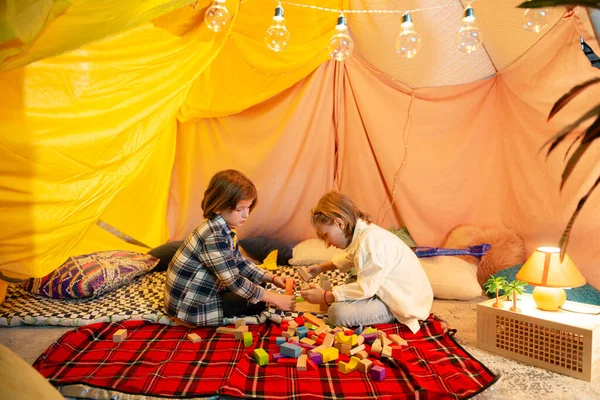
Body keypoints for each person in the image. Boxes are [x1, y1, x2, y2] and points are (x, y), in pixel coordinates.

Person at [164, 169, 296, 326]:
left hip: (196, 295)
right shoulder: (214, 236)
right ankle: (187, 319)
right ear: (218, 207)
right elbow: (234, 281)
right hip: (190, 308)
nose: (246, 215)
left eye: (248, 207)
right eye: (240, 209)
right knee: (259, 302)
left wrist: (271, 277)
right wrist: (274, 298)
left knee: (259, 286)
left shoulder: (223, 228)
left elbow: (238, 262)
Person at [300, 191, 433, 333]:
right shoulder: (364, 234)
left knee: (337, 313)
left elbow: (366, 288)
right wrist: (321, 268)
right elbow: (351, 257)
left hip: (402, 303)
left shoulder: (370, 243)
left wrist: (326, 296)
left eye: (326, 235)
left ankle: (389, 315)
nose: (328, 243)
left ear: (339, 223)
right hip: (385, 289)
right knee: (349, 285)